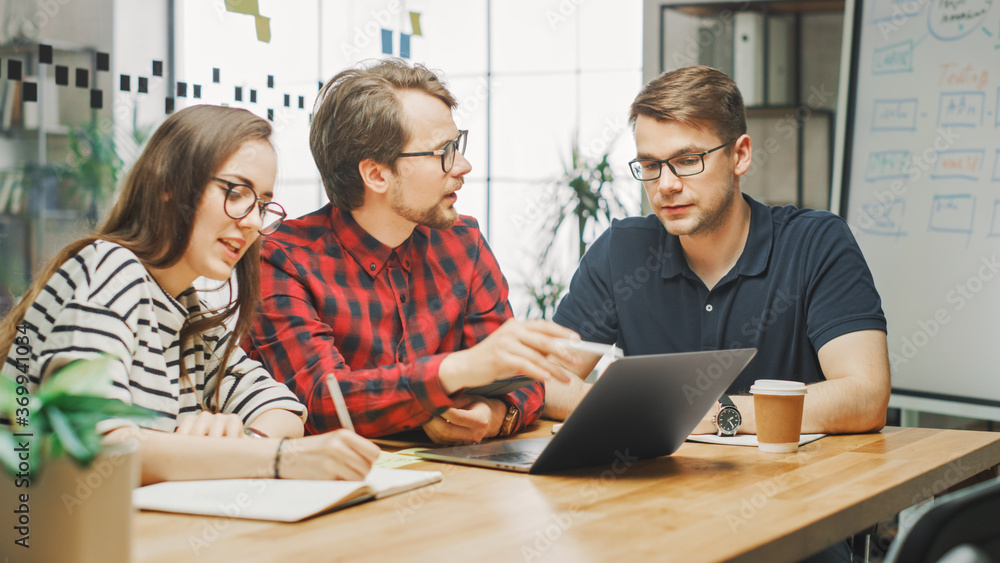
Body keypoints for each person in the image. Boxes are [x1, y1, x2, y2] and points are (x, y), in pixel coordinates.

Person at [0, 105, 380, 484]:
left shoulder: (186, 309)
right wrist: (273, 458)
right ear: (171, 186)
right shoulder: (110, 267)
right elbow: (95, 445)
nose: (251, 221)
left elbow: (283, 409)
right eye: (236, 191)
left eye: (262, 204)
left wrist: (240, 443)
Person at [244, 58, 582, 445]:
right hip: (342, 487)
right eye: (444, 151)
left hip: (463, 482)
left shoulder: (462, 242)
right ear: (376, 174)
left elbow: (520, 376)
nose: (464, 165)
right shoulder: (282, 259)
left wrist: (494, 415)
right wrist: (451, 374)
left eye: (459, 144)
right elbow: (323, 402)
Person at [547, 65, 891, 439]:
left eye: (687, 160)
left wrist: (719, 413)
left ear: (740, 156)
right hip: (656, 490)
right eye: (650, 165)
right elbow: (542, 382)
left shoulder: (816, 242)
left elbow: (866, 396)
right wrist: (640, 412)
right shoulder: (620, 251)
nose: (665, 185)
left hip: (790, 489)